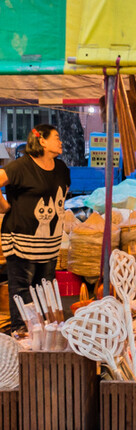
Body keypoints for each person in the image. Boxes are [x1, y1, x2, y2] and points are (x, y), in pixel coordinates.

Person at [0, 125, 70, 333]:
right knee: (22, 291)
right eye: (56, 138)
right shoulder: (20, 166)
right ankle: (22, 335)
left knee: (45, 290)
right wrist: (4, 207)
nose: (60, 142)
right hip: (21, 240)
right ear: (42, 141)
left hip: (49, 243)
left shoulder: (61, 168)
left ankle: (45, 335)